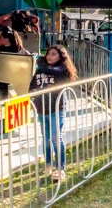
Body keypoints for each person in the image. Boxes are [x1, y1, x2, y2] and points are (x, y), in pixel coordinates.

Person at [28, 45, 78, 181]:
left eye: (54, 54)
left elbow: (56, 72)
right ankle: (48, 164)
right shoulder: (40, 70)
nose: (50, 56)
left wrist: (40, 65)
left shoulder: (62, 70)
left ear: (61, 57)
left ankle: (60, 168)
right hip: (41, 108)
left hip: (56, 107)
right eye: (48, 54)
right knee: (46, 137)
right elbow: (32, 86)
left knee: (56, 138)